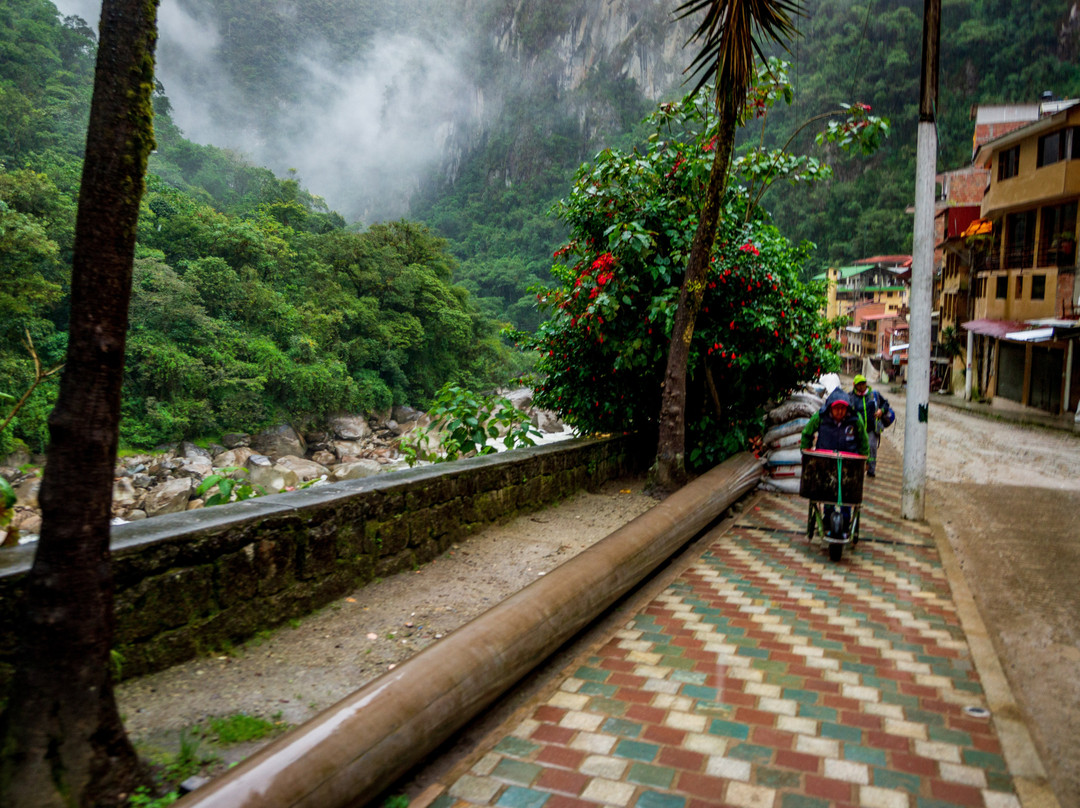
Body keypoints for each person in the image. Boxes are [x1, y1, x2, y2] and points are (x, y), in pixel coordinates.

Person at [800, 388, 869, 538]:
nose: (839, 412)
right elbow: (807, 433)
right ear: (830, 407)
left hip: (849, 464)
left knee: (847, 493)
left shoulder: (855, 420)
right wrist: (805, 451)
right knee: (828, 491)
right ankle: (827, 516)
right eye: (836, 409)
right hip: (826, 462)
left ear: (847, 408)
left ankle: (845, 519)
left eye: (842, 409)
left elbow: (863, 441)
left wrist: (866, 460)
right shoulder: (821, 417)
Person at [850, 373, 890, 477]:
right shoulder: (851, 397)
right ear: (854, 385)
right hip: (857, 430)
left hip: (872, 429)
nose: (861, 386)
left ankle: (871, 470)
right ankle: (858, 469)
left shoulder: (874, 395)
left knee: (872, 449)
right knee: (858, 449)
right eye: (859, 384)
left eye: (863, 383)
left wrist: (882, 410)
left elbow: (886, 403)